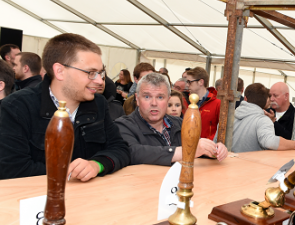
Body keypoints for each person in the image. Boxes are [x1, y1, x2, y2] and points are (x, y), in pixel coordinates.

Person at [0, 33, 130, 181]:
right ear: (60, 71)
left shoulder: (98, 104)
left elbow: (120, 149)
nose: (100, 81)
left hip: (92, 197)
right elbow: (12, 169)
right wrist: (70, 173)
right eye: (91, 73)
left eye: (101, 73)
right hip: (38, 199)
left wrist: (97, 165)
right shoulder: (17, 107)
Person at [115, 73, 227, 166]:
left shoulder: (179, 123)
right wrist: (185, 151)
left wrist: (214, 149)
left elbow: (197, 147)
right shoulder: (123, 126)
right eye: (147, 97)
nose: (154, 103)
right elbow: (133, 153)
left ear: (168, 99)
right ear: (137, 99)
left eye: (160, 97)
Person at [232, 83, 295, 153]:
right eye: (270, 96)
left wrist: (274, 123)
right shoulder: (263, 115)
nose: (271, 99)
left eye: (275, 95)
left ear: (286, 96)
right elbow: (269, 141)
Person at [185, 67, 220, 140]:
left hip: (207, 148)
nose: (187, 85)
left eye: (189, 82)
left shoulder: (217, 104)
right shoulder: (185, 100)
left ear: (201, 82)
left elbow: (221, 130)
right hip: (188, 146)